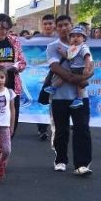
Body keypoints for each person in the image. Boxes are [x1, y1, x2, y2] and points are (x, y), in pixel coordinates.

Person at [47, 15, 93, 175]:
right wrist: (77, 79)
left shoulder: (84, 46)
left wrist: (86, 75)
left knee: (82, 129)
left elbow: (90, 68)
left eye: (66, 24)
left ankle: (82, 164)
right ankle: (60, 160)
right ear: (56, 28)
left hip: (80, 96)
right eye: (59, 25)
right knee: (61, 130)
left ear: (71, 25)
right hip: (59, 96)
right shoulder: (53, 47)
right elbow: (55, 67)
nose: (63, 28)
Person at [44, 26, 93, 108]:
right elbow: (68, 57)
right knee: (63, 77)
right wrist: (61, 52)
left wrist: (87, 68)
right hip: (73, 68)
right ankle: (54, 87)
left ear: (84, 38)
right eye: (73, 36)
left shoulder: (83, 47)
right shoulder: (73, 47)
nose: (75, 38)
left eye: (78, 36)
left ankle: (79, 99)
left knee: (79, 85)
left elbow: (87, 57)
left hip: (80, 69)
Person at [36, 13, 57, 141]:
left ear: (54, 25)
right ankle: (42, 129)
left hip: (57, 74)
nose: (48, 26)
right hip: (38, 75)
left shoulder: (60, 38)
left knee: (56, 103)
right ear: (42, 25)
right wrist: (27, 39)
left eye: (50, 23)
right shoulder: (35, 39)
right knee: (42, 101)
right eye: (45, 24)